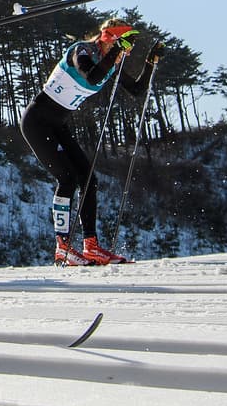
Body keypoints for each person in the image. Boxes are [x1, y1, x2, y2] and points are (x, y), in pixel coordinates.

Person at [20, 18, 161, 266]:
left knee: (88, 179)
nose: (125, 53)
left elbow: (137, 90)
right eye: (123, 46)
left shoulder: (111, 64)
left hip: (57, 124)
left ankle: (91, 246)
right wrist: (117, 50)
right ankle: (62, 247)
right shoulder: (82, 50)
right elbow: (92, 76)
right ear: (110, 39)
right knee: (67, 178)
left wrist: (151, 62)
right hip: (37, 121)